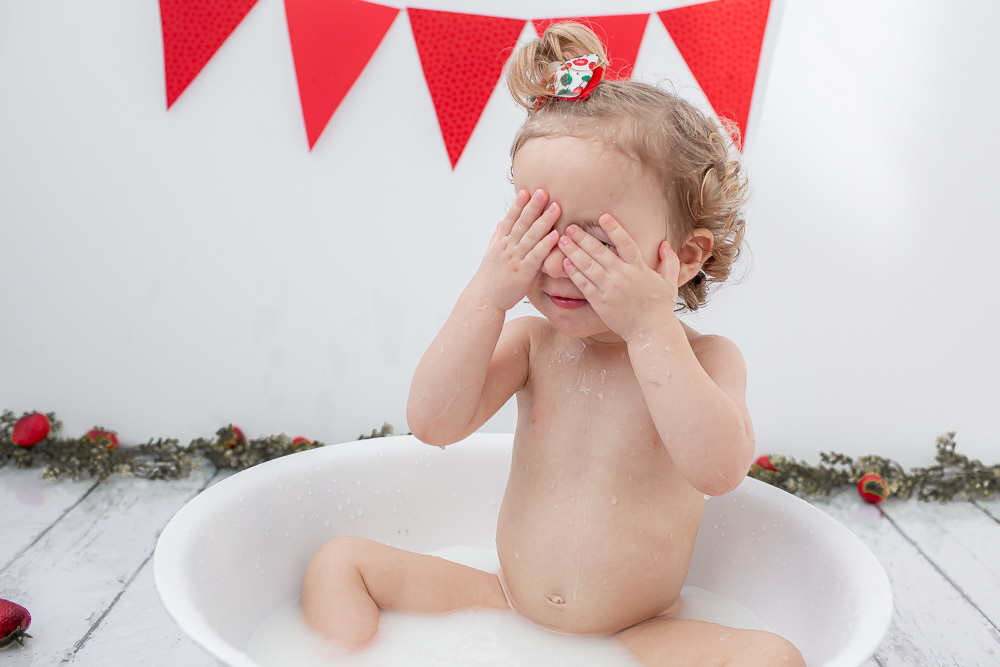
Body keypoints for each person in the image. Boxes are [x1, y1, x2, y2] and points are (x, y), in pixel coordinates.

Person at [302, 22, 805, 666]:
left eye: (597, 239)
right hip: (504, 604)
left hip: (637, 636)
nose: (561, 264)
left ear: (683, 257)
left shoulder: (706, 361)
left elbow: (719, 469)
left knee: (773, 657)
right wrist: (488, 293)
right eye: (538, 227)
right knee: (341, 562)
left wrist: (650, 327)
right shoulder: (536, 345)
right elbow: (432, 423)